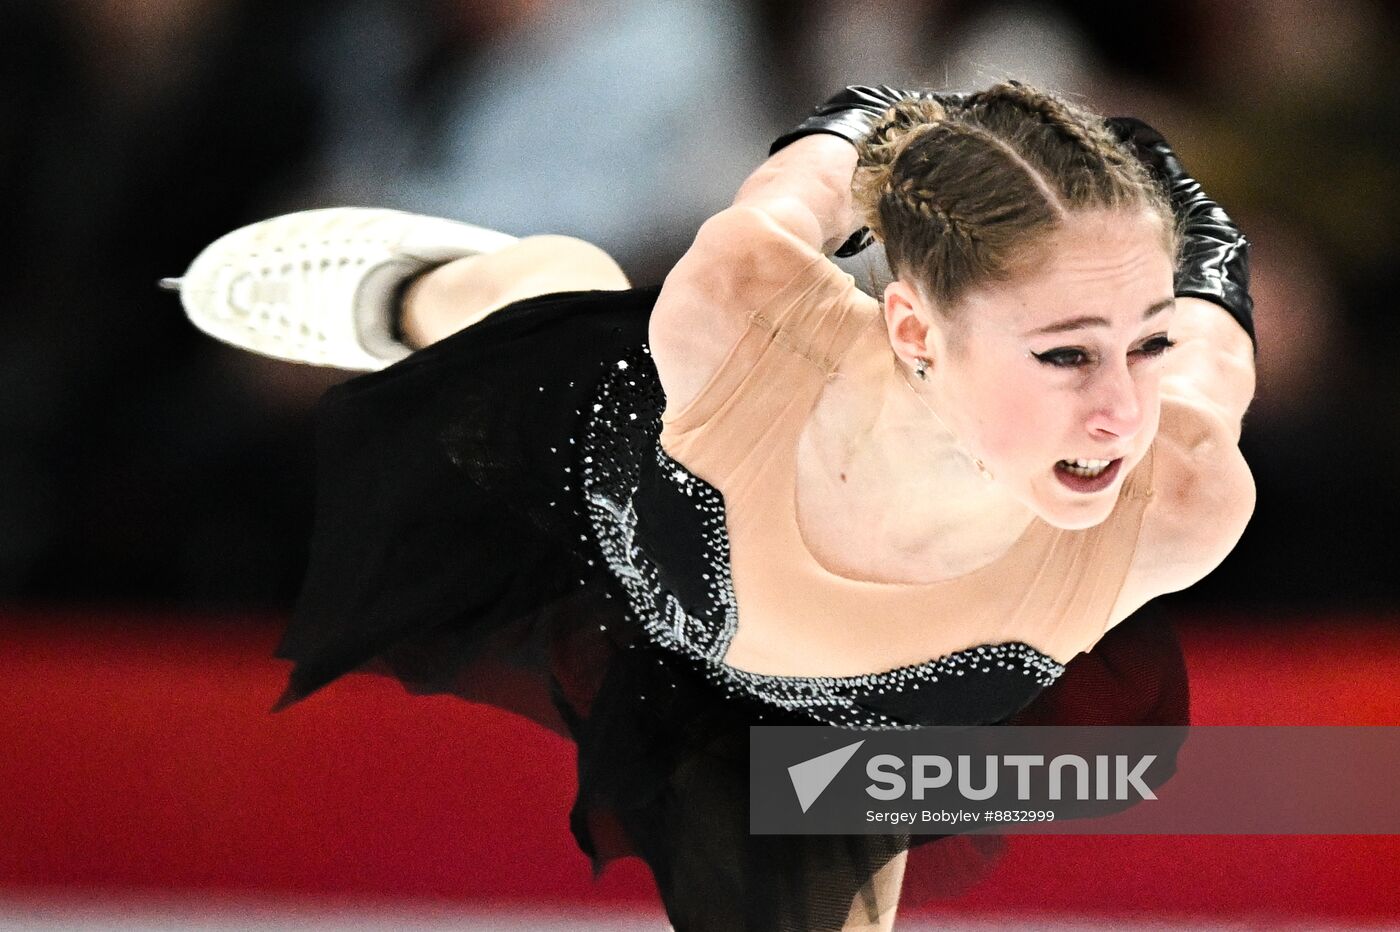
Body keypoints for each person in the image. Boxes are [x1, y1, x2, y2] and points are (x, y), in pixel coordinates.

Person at [169, 81, 1256, 931]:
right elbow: (855, 129)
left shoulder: (1178, 497)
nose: (1119, 413)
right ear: (915, 332)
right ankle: (434, 286)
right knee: (527, 312)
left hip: (810, 725)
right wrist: (929, 123)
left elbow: (1212, 287)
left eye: (1145, 345)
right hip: (614, 477)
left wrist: (1168, 200)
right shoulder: (744, 309)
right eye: (1063, 354)